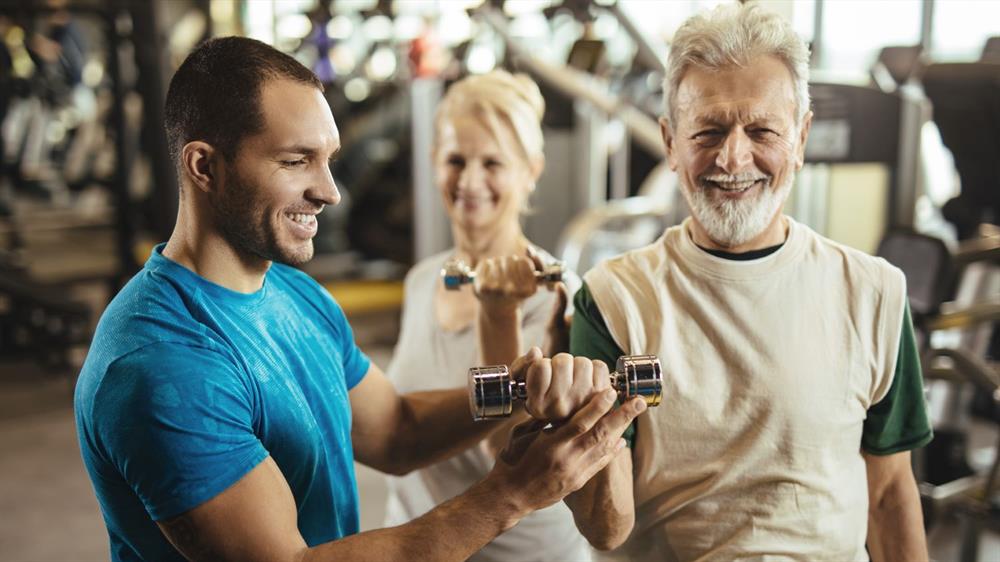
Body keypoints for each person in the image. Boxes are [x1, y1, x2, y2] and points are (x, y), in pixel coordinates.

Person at [73, 36, 645, 562]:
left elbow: (396, 431)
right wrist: (510, 495)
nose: (329, 191)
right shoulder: (161, 365)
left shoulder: (296, 294)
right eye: (296, 161)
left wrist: (522, 386)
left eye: (329, 160)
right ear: (205, 166)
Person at [566, 4, 932, 561]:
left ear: (802, 138)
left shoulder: (875, 292)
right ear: (669, 142)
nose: (733, 157)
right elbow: (605, 526)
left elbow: (888, 497)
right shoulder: (615, 300)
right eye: (708, 131)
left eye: (762, 130)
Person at [383, 70, 591, 562]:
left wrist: (499, 316)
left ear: (530, 170)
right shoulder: (422, 280)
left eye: (492, 163)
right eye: (455, 160)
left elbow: (508, 451)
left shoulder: (559, 296)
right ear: (434, 163)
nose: (470, 181)